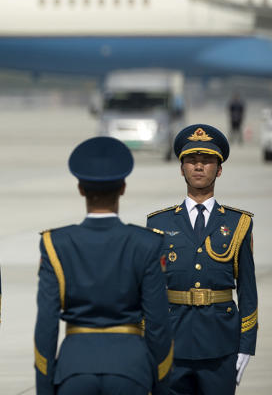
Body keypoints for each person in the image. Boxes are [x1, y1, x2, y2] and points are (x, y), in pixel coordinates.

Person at [34, 136, 173, 395]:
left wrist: (45, 387)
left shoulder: (56, 244)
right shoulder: (147, 244)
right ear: (122, 187)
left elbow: (46, 326)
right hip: (131, 370)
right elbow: (158, 326)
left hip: (74, 370)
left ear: (80, 189)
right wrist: (161, 384)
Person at [147, 124, 257, 394]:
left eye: (207, 161)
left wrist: (246, 346)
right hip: (172, 343)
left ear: (219, 170)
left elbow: (247, 290)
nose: (198, 167)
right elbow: (148, 291)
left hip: (220, 345)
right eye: (191, 161)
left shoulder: (237, 223)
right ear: (181, 168)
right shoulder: (157, 223)